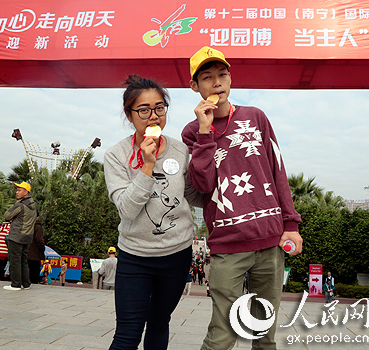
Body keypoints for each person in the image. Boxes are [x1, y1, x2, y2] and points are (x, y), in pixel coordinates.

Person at [182, 46, 303, 350]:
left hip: (269, 238)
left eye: (222, 74)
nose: (217, 83)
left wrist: (291, 223)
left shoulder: (255, 117)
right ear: (195, 87)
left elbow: (277, 170)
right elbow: (202, 183)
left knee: (265, 334)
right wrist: (206, 131)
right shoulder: (191, 132)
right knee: (222, 334)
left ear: (230, 78)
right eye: (207, 78)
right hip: (227, 243)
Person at [103, 74, 202, 350]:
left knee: (159, 323)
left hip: (176, 254)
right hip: (135, 256)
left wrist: (227, 188)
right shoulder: (116, 155)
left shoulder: (180, 149)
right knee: (127, 334)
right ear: (129, 114)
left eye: (160, 108)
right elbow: (127, 209)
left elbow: (191, 194)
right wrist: (147, 166)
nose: (153, 116)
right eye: (144, 110)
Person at [3, 181, 37, 291]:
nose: (16, 192)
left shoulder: (20, 205)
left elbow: (7, 215)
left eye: (19, 190)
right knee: (23, 261)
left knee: (15, 261)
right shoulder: (33, 205)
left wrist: (16, 205)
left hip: (16, 236)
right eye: (17, 190)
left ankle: (16, 284)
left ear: (26, 192)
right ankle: (26, 283)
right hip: (27, 237)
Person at [27, 217, 45, 284]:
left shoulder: (26, 225)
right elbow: (40, 240)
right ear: (37, 217)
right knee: (34, 275)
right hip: (35, 255)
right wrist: (42, 250)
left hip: (25, 253)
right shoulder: (37, 227)